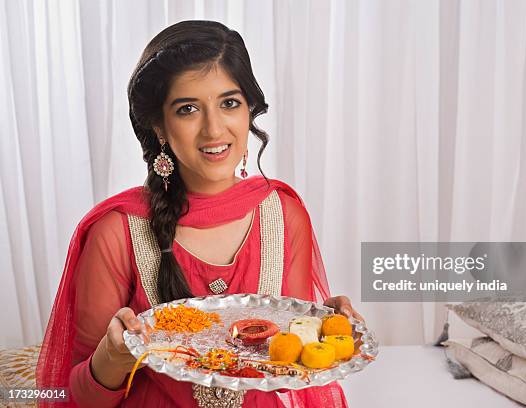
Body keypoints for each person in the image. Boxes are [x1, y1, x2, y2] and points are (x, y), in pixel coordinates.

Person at [36, 20, 362, 408]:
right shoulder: (118, 231)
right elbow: (74, 397)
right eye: (188, 109)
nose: (213, 128)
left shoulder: (283, 215)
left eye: (229, 103)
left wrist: (324, 330)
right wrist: (113, 356)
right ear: (159, 126)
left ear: (249, 111)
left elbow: (286, 357)